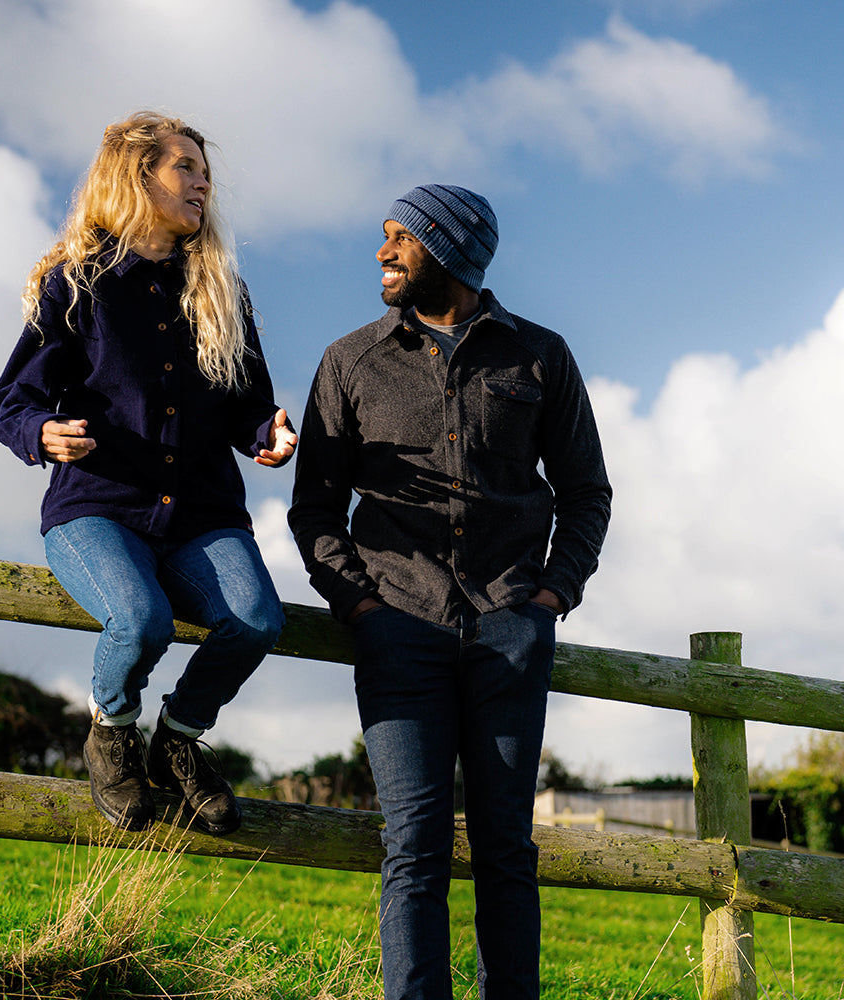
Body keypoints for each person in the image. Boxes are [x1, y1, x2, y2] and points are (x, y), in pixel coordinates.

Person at [289, 184, 611, 999]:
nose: (382, 252)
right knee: (416, 844)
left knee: (507, 847)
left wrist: (548, 601)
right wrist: (360, 606)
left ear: (453, 251)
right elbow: (315, 508)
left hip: (510, 628)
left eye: (401, 237)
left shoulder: (541, 356)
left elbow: (586, 493)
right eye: (385, 236)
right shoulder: (348, 360)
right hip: (398, 626)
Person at [0, 111, 296, 836]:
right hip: (97, 509)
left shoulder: (222, 291)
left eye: (205, 171)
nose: (202, 183)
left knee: (257, 620)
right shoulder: (77, 283)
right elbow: (16, 401)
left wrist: (269, 431)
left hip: (200, 513)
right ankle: (111, 732)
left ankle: (179, 742)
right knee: (140, 620)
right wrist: (43, 432)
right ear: (138, 176)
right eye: (185, 167)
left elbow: (246, 404)